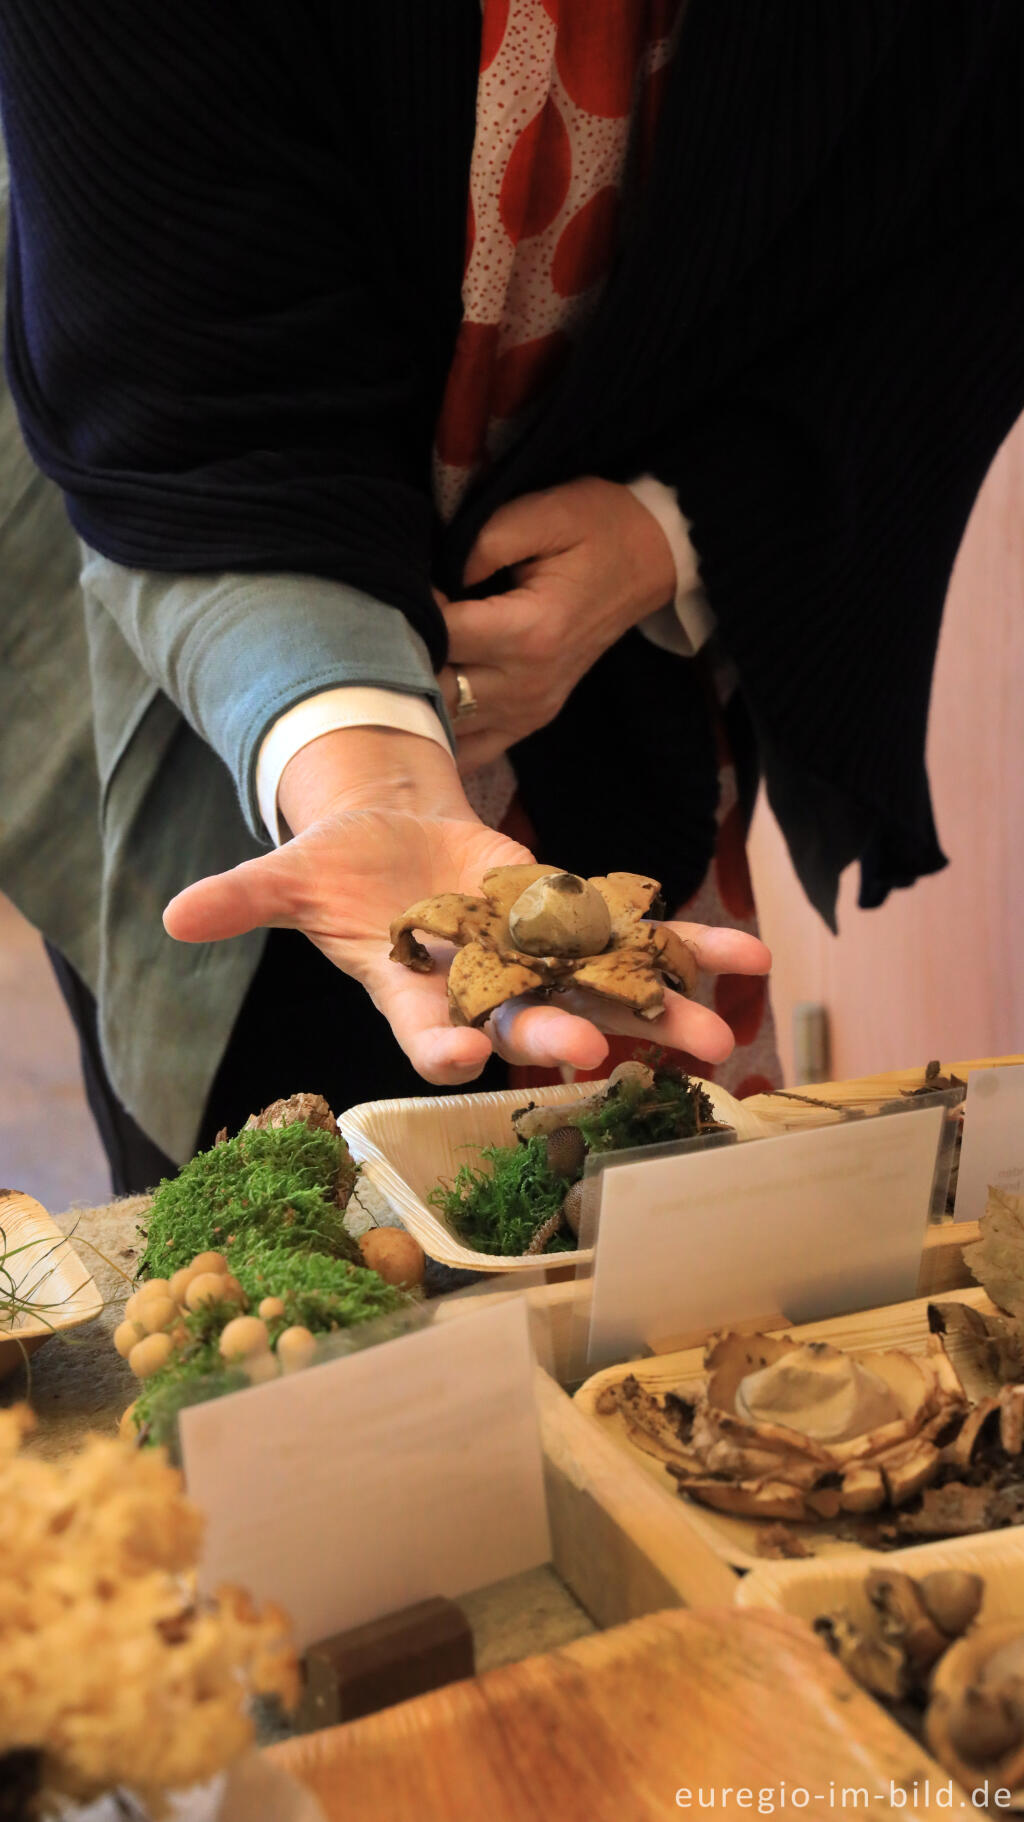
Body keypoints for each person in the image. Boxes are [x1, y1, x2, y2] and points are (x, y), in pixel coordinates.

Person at [0, 3, 1021, 1193]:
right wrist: (366, 763)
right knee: (303, 1212)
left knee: (649, 1181)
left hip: (637, 652)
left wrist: (677, 527)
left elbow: (967, 204)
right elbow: (186, 388)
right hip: (227, 629)